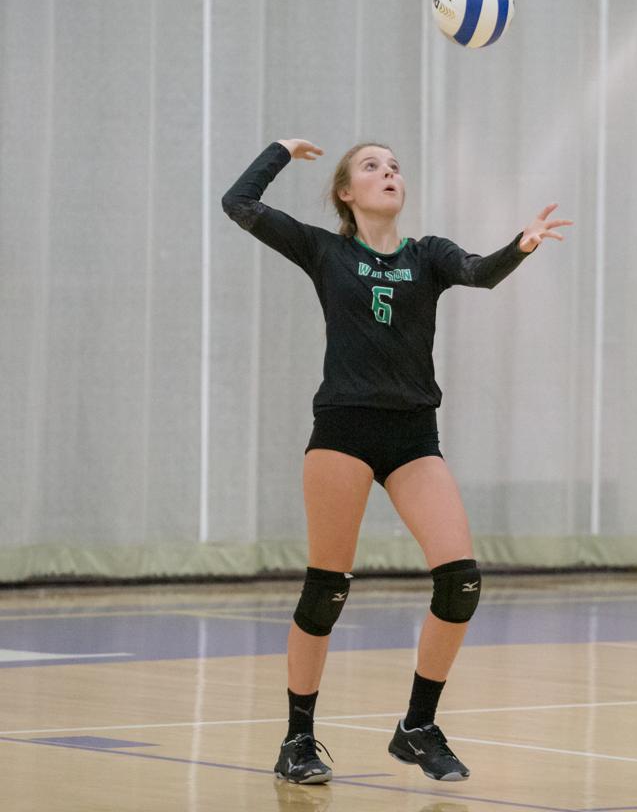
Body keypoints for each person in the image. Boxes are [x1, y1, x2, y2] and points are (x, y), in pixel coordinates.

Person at [222, 137, 571, 785]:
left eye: (395, 166)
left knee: (461, 578)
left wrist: (519, 245)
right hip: (344, 430)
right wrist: (278, 150)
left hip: (413, 434)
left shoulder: (429, 255)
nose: (389, 173)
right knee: (327, 588)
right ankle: (298, 738)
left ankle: (418, 726)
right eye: (371, 166)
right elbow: (238, 203)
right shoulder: (325, 250)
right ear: (347, 195)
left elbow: (480, 272)